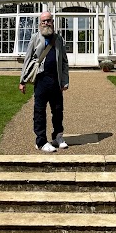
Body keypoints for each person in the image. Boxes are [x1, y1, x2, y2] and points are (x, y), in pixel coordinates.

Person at [19, 11, 69, 152]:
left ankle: (58, 136)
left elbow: (64, 61)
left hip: (56, 81)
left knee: (58, 110)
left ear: (53, 22)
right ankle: (41, 141)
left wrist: (64, 81)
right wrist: (22, 81)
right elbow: (27, 59)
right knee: (39, 112)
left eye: (49, 20)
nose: (46, 23)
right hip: (41, 81)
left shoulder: (59, 39)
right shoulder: (35, 38)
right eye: (44, 21)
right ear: (40, 24)